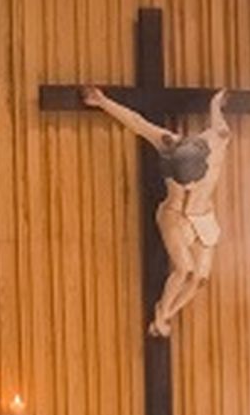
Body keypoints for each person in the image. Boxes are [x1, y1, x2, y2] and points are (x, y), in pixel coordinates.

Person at [81, 85, 232, 337]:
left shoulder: (218, 142)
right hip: (173, 214)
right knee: (185, 270)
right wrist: (103, 102)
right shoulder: (167, 142)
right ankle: (161, 316)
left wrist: (216, 103)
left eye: (191, 180)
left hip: (203, 214)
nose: (188, 185)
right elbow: (137, 122)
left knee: (199, 280)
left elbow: (218, 120)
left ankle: (167, 313)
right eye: (181, 180)